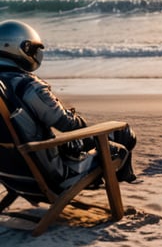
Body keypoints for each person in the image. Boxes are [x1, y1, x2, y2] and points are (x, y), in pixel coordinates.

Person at [0, 20, 137, 188]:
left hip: (11, 176)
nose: (36, 54)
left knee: (86, 141)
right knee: (123, 136)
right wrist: (79, 122)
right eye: (35, 49)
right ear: (23, 48)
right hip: (55, 175)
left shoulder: (3, 88)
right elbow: (68, 125)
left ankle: (114, 177)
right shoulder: (27, 86)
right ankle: (124, 180)